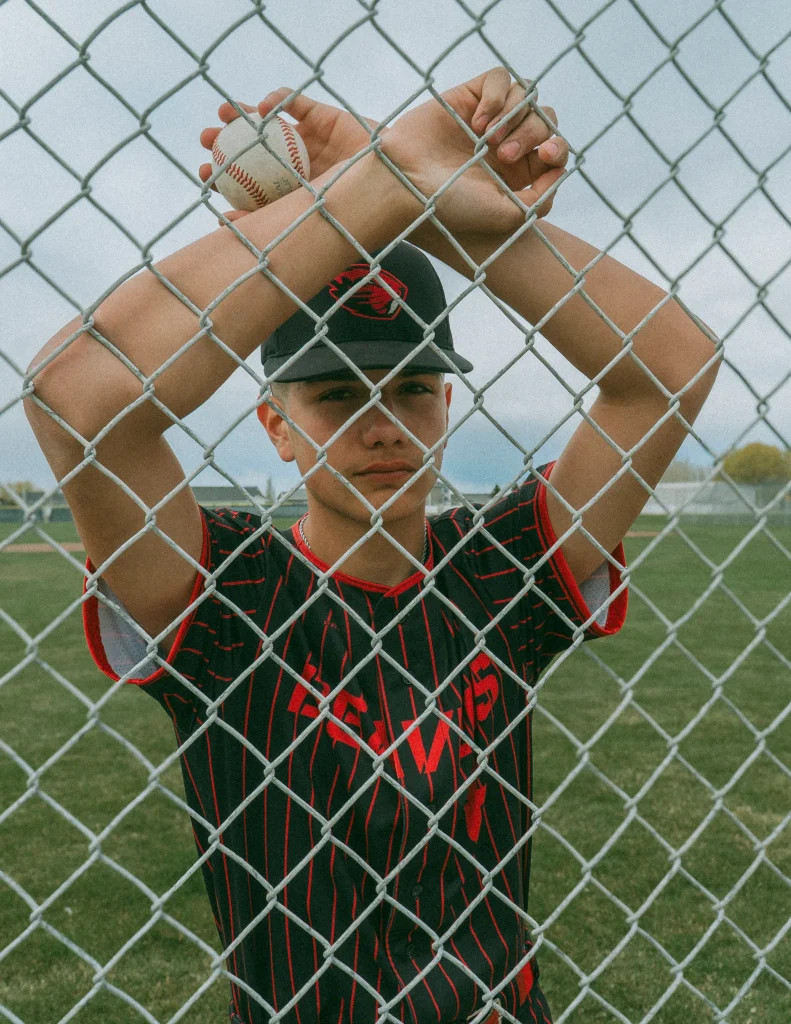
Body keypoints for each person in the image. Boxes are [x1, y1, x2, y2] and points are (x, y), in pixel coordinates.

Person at [24, 67, 720, 1024]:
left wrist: (436, 208)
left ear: (447, 402)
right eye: (338, 395)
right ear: (275, 426)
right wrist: (361, 192)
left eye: (411, 389)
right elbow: (77, 398)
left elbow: (669, 372)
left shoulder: (497, 569)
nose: (384, 425)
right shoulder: (226, 589)